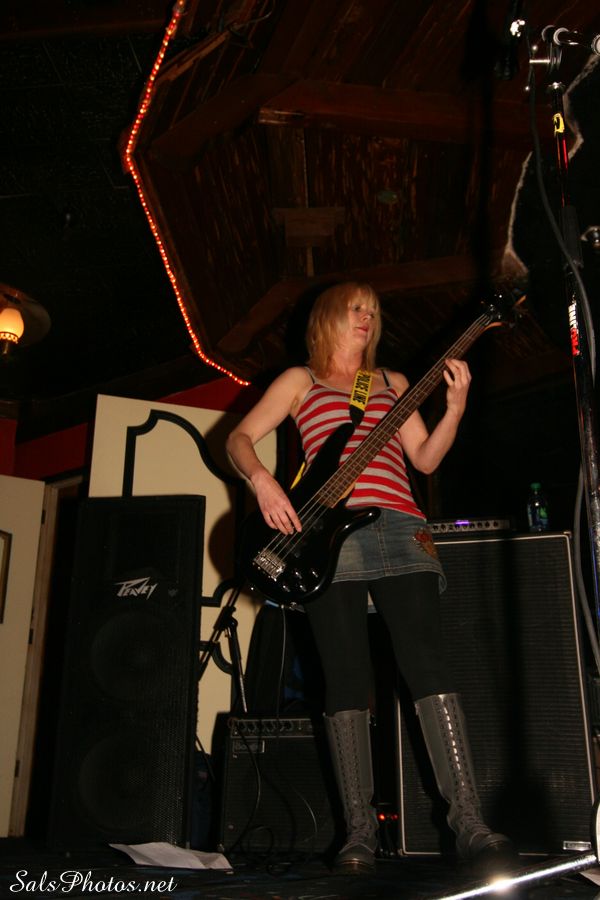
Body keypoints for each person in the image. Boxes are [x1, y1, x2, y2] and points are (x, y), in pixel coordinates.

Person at [226, 281, 516, 876]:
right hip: (329, 539)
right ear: (328, 316)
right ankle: (358, 834)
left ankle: (470, 824)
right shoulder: (301, 381)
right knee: (346, 678)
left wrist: (455, 408)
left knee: (428, 666)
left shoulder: (392, 382)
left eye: (373, 311)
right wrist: (263, 482)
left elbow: (425, 459)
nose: (367, 318)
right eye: (356, 309)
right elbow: (237, 438)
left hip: (402, 527)